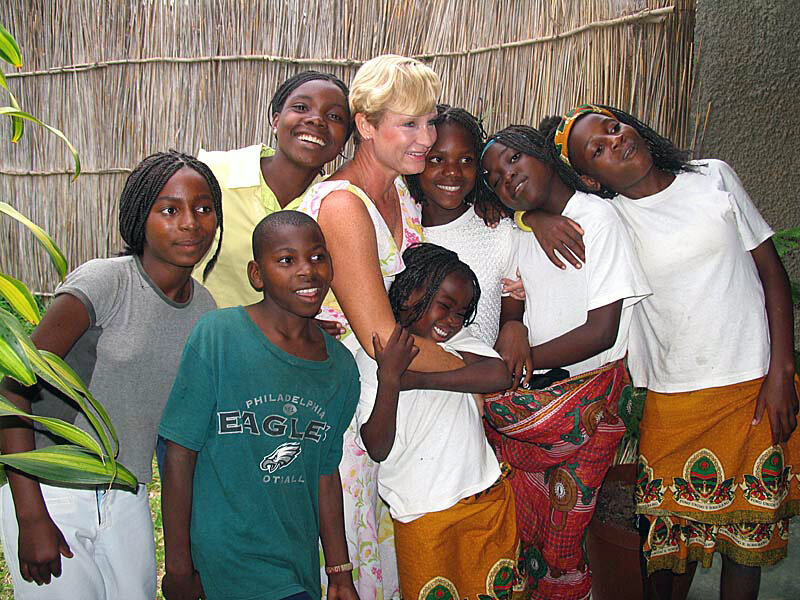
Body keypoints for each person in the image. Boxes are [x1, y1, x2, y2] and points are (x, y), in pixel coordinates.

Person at [535, 103, 800, 600]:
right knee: (665, 545)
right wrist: (534, 217)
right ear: (590, 179)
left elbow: (771, 272)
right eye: (597, 149)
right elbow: (532, 190)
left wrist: (782, 371)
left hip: (752, 388)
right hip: (673, 397)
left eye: (614, 128)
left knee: (745, 547)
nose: (615, 141)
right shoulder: (609, 219)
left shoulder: (712, 176)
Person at [0, 151, 222, 600]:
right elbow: (11, 387)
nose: (190, 223)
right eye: (170, 210)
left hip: (127, 490)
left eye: (203, 208)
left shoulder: (204, 309)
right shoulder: (106, 282)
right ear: (140, 217)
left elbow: (179, 437)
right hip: (55, 488)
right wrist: (32, 515)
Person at [297, 55, 466, 599]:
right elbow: (379, 337)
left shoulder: (400, 194)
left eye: (430, 121)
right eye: (408, 123)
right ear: (366, 126)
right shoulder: (343, 206)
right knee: (353, 552)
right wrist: (478, 370)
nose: (427, 138)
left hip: (386, 398)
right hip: (341, 407)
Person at [481, 124, 651, 600]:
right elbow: (517, 293)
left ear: (542, 152)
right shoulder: (523, 229)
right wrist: (513, 325)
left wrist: (522, 363)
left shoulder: (597, 219)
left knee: (566, 535)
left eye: (514, 159)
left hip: (587, 399)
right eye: (493, 178)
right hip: (543, 396)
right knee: (535, 529)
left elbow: (603, 332)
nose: (506, 176)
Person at [159, 211, 359, 600]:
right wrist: (179, 566)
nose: (307, 270)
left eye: (318, 257)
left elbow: (325, 473)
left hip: (295, 562)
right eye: (286, 260)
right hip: (224, 559)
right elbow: (180, 453)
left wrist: (338, 574)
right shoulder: (219, 336)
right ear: (257, 274)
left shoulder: (340, 368)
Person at [357, 242, 522, 598]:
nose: (452, 321)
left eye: (461, 312)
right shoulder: (373, 357)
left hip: (484, 497)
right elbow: (377, 446)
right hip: (422, 515)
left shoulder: (459, 341)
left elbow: (497, 374)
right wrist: (390, 380)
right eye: (444, 306)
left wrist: (417, 380)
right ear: (408, 293)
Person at [194, 70, 352, 308]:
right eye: (301, 107)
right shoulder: (213, 174)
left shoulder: (339, 206)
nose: (316, 120)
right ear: (276, 121)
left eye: (334, 116)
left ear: (344, 141)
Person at [406, 105, 531, 385]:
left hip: (478, 389)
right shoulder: (401, 227)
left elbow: (511, 316)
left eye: (466, 160)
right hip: (404, 384)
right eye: (437, 159)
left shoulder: (499, 232)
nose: (452, 172)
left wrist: (515, 327)